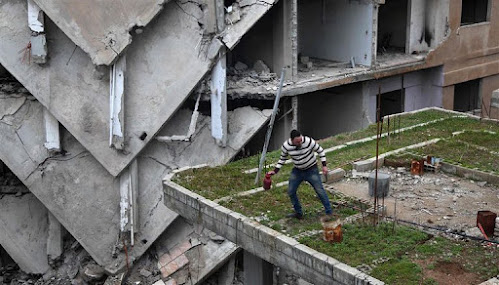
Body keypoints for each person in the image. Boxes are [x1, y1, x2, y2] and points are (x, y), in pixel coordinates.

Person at [267, 130, 333, 219]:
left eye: (301, 140)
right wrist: (275, 171)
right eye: (298, 142)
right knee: (291, 191)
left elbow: (320, 151)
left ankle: (329, 212)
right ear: (292, 140)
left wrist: (324, 166)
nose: (300, 142)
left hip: (311, 169)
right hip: (297, 171)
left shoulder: (308, 141)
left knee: (320, 191)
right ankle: (298, 213)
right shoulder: (286, 146)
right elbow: (282, 159)